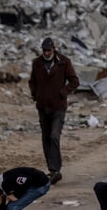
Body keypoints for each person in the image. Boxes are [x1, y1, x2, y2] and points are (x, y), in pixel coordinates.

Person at [28, 37, 80, 184]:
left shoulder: (64, 62)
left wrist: (63, 93)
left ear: (54, 49)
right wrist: (35, 95)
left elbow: (74, 81)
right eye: (44, 50)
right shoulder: (37, 63)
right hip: (43, 106)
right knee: (46, 138)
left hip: (58, 106)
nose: (46, 53)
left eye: (49, 50)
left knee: (54, 136)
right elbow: (32, 81)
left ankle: (56, 169)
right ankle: (52, 170)